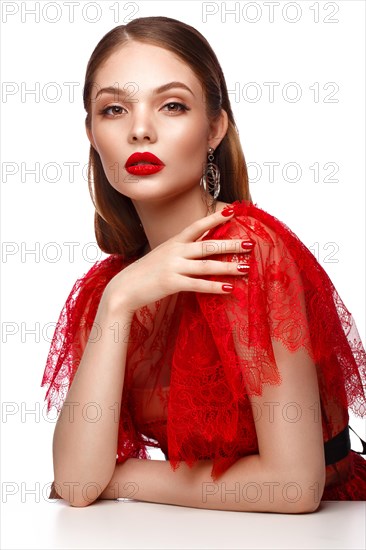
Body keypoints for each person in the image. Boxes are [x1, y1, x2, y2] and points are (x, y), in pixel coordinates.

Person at [41, 16, 366, 511]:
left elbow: (293, 487)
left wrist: (121, 477)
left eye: (172, 105)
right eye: (113, 109)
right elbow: (77, 482)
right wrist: (117, 303)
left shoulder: (245, 251)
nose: (141, 130)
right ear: (91, 131)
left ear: (214, 127)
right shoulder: (114, 288)